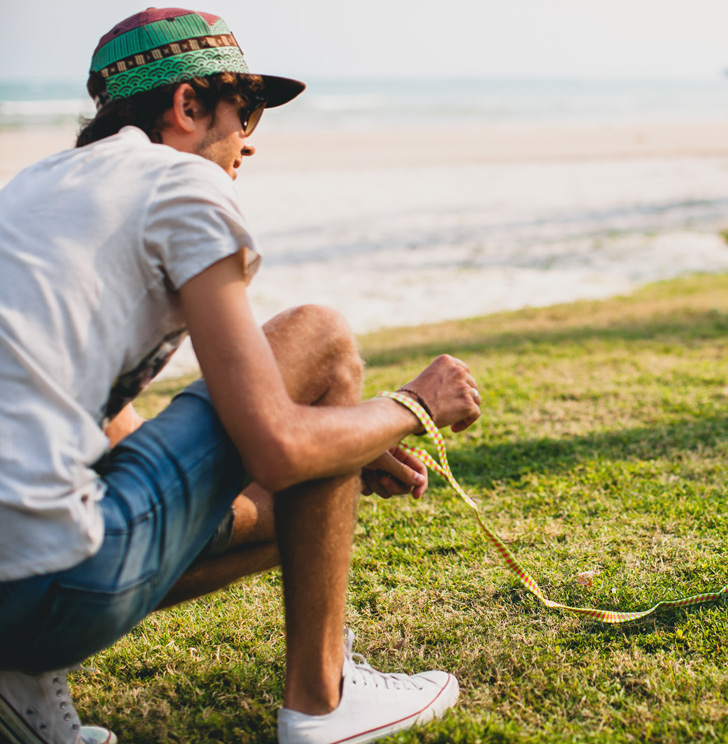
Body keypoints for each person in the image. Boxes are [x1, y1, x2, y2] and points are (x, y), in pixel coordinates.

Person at [0, 8, 481, 744]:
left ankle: (16, 677)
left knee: (311, 496)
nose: (249, 144)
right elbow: (279, 447)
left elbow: (90, 414)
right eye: (244, 111)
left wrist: (343, 454)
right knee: (319, 337)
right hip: (48, 593)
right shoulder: (179, 183)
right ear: (187, 107)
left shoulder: (34, 191)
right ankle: (323, 701)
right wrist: (413, 405)